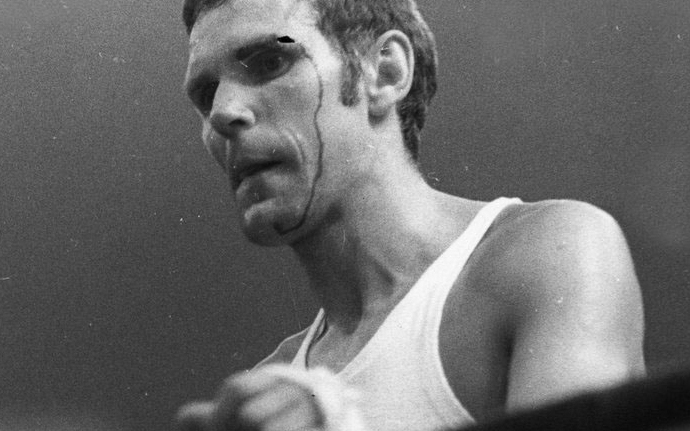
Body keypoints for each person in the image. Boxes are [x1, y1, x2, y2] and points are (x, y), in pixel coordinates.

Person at [176, 0, 646, 430]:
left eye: (270, 63)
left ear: (385, 71)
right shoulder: (273, 389)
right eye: (206, 94)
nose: (222, 113)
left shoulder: (550, 253)